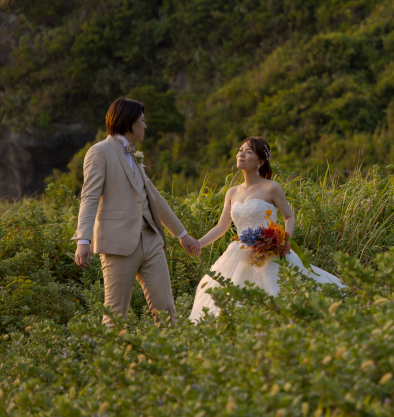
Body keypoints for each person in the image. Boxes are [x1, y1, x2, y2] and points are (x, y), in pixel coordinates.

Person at [73, 97, 201, 326]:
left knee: (166, 311)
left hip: (151, 240)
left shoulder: (134, 155)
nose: (145, 126)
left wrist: (182, 235)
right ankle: (112, 361)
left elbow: (154, 197)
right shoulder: (98, 152)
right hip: (118, 244)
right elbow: (89, 197)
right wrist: (83, 239)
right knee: (115, 315)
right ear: (129, 122)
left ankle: (168, 360)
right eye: (142, 120)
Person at [189, 137, 343, 322]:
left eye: (249, 152)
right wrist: (199, 243)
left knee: (277, 294)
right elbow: (222, 226)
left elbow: (289, 216)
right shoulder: (232, 192)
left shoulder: (271, 188)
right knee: (222, 297)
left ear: (261, 161)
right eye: (240, 150)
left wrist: (285, 240)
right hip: (238, 254)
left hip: (270, 252)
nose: (241, 154)